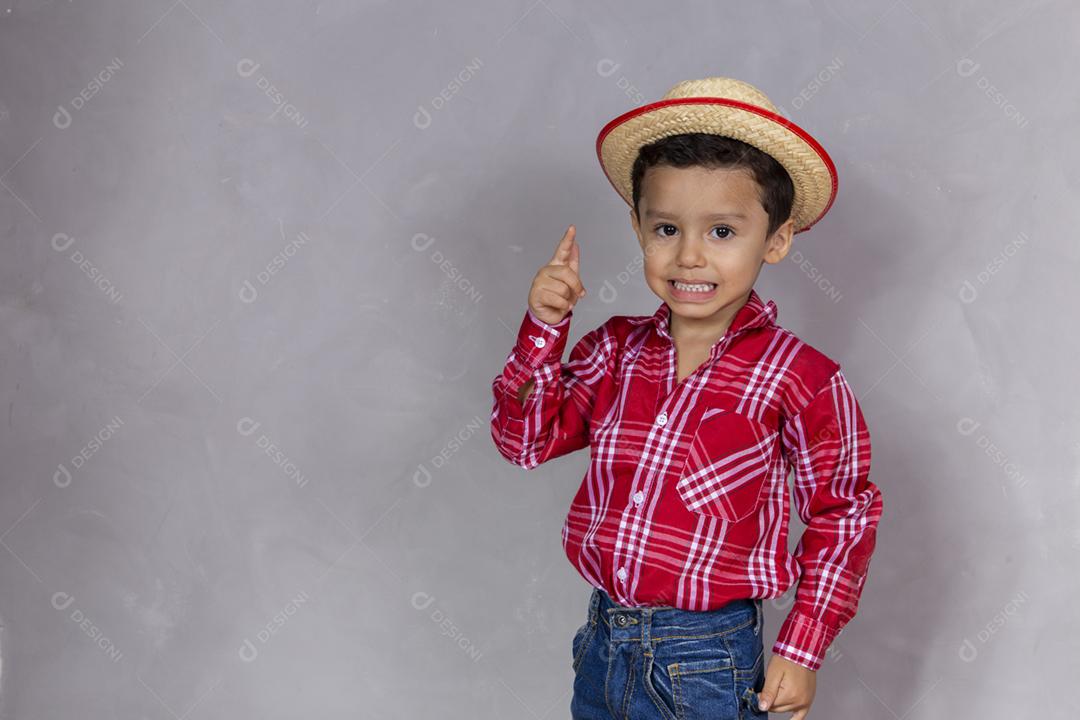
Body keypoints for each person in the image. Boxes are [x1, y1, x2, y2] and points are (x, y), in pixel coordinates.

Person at [490, 76, 883, 719]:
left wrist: (803, 647)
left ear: (776, 239)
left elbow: (843, 515)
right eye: (667, 227)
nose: (690, 256)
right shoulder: (614, 351)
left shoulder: (801, 377)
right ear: (638, 227)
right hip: (603, 643)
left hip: (707, 659)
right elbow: (524, 443)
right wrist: (543, 331)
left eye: (723, 232)